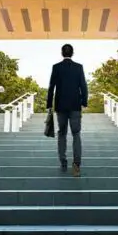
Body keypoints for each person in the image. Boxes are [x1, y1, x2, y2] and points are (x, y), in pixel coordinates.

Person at [46, 44, 88, 177]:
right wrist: (84, 102)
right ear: (73, 53)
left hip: (61, 106)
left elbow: (51, 87)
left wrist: (49, 104)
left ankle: (63, 162)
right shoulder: (78, 67)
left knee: (62, 134)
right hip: (75, 106)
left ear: (61, 53)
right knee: (76, 134)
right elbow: (83, 86)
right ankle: (76, 165)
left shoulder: (56, 67)